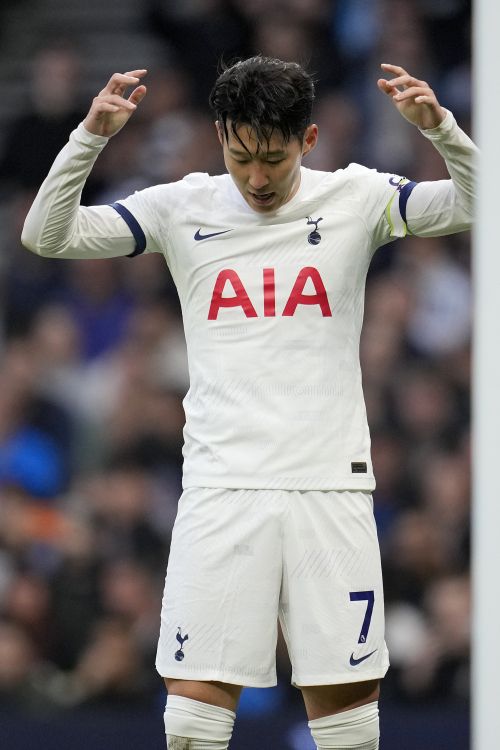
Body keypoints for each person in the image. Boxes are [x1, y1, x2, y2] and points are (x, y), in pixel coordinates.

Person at [21, 56, 476, 750]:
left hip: (329, 486)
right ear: (219, 138)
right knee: (192, 726)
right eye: (240, 158)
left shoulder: (358, 197)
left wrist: (440, 129)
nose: (257, 179)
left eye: (273, 158)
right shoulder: (181, 206)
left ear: (309, 139)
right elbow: (46, 234)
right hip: (222, 489)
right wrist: (90, 138)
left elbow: (477, 204)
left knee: (348, 728)